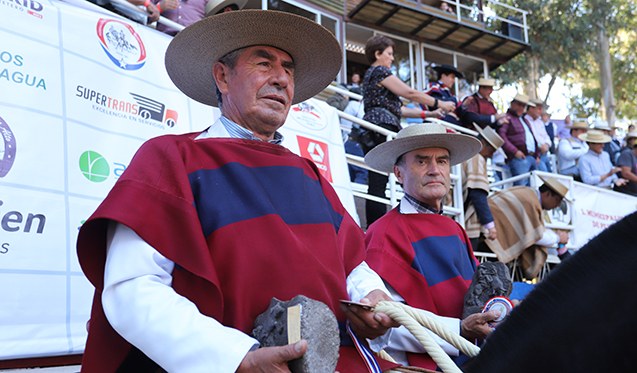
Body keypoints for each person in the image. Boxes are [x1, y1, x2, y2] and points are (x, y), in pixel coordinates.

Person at [76, 11, 400, 373]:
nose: (281, 79)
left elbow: (353, 265)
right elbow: (133, 288)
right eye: (264, 63)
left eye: (289, 69)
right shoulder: (172, 158)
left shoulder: (309, 172)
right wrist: (235, 358)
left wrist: (370, 295)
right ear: (222, 77)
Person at [363, 123, 500, 369]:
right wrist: (460, 331)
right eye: (422, 161)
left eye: (443, 161)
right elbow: (386, 323)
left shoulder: (455, 228)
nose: (435, 170)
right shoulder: (383, 232)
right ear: (399, 173)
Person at [361, 34, 455, 227]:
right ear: (378, 54)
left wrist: (430, 114)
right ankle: (376, 225)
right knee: (380, 182)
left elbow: (399, 109)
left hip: (379, 125)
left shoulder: (373, 77)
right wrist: (441, 103)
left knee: (379, 182)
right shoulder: (379, 71)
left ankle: (377, 224)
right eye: (389, 53)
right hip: (382, 127)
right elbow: (409, 93)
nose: (392, 58)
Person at [466, 176, 571, 280]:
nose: (558, 205)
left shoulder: (529, 195)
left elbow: (532, 232)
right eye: (558, 200)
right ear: (548, 194)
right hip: (485, 234)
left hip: (485, 232)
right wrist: (558, 239)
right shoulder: (530, 200)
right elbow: (535, 236)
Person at [462, 124, 505, 251]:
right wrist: (490, 225)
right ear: (481, 144)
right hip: (466, 223)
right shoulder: (476, 157)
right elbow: (477, 193)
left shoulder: (466, 154)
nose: (491, 156)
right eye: (491, 151)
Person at [498, 93, 540, 186]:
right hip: (519, 159)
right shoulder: (507, 118)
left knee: (533, 187)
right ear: (512, 104)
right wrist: (515, 152)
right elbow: (501, 137)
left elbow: (532, 138)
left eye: (523, 105)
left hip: (530, 157)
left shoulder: (524, 120)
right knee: (521, 187)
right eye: (519, 104)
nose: (521, 108)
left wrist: (537, 155)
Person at [525, 98, 552, 172]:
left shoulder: (540, 122)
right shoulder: (525, 121)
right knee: (545, 177)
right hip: (536, 154)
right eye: (539, 109)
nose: (541, 112)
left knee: (549, 177)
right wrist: (540, 146)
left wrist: (546, 145)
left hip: (544, 154)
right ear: (531, 108)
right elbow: (529, 139)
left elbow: (546, 136)